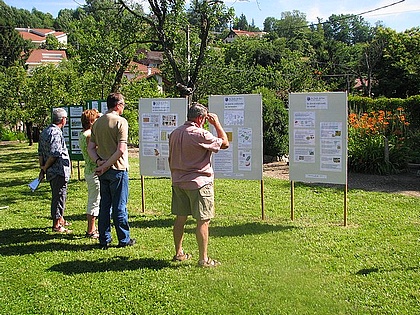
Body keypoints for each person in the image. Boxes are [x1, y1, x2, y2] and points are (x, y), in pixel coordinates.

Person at [168, 102, 229, 267]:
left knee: (180, 218)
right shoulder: (200, 134)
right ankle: (203, 259)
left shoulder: (174, 133)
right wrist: (216, 123)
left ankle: (179, 252)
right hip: (199, 183)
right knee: (203, 220)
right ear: (201, 118)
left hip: (179, 182)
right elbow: (224, 143)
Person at [87, 93, 135, 249]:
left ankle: (104, 238)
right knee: (120, 206)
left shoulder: (97, 123)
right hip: (117, 169)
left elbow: (91, 148)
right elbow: (121, 150)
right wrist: (106, 165)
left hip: (103, 171)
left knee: (104, 206)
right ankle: (123, 239)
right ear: (118, 105)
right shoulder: (121, 122)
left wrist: (99, 163)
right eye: (123, 105)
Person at [38, 108, 72, 233]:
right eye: (66, 119)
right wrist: (45, 167)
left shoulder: (45, 131)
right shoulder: (56, 133)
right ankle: (57, 225)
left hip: (51, 171)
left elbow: (40, 153)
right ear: (63, 119)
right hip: (58, 171)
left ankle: (61, 218)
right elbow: (55, 154)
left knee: (57, 195)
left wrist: (42, 168)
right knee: (59, 196)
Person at [79, 109, 101, 239]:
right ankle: (91, 229)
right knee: (94, 200)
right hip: (94, 171)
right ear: (92, 121)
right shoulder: (89, 135)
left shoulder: (83, 133)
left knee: (94, 199)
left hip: (89, 169)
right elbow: (95, 151)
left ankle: (93, 227)